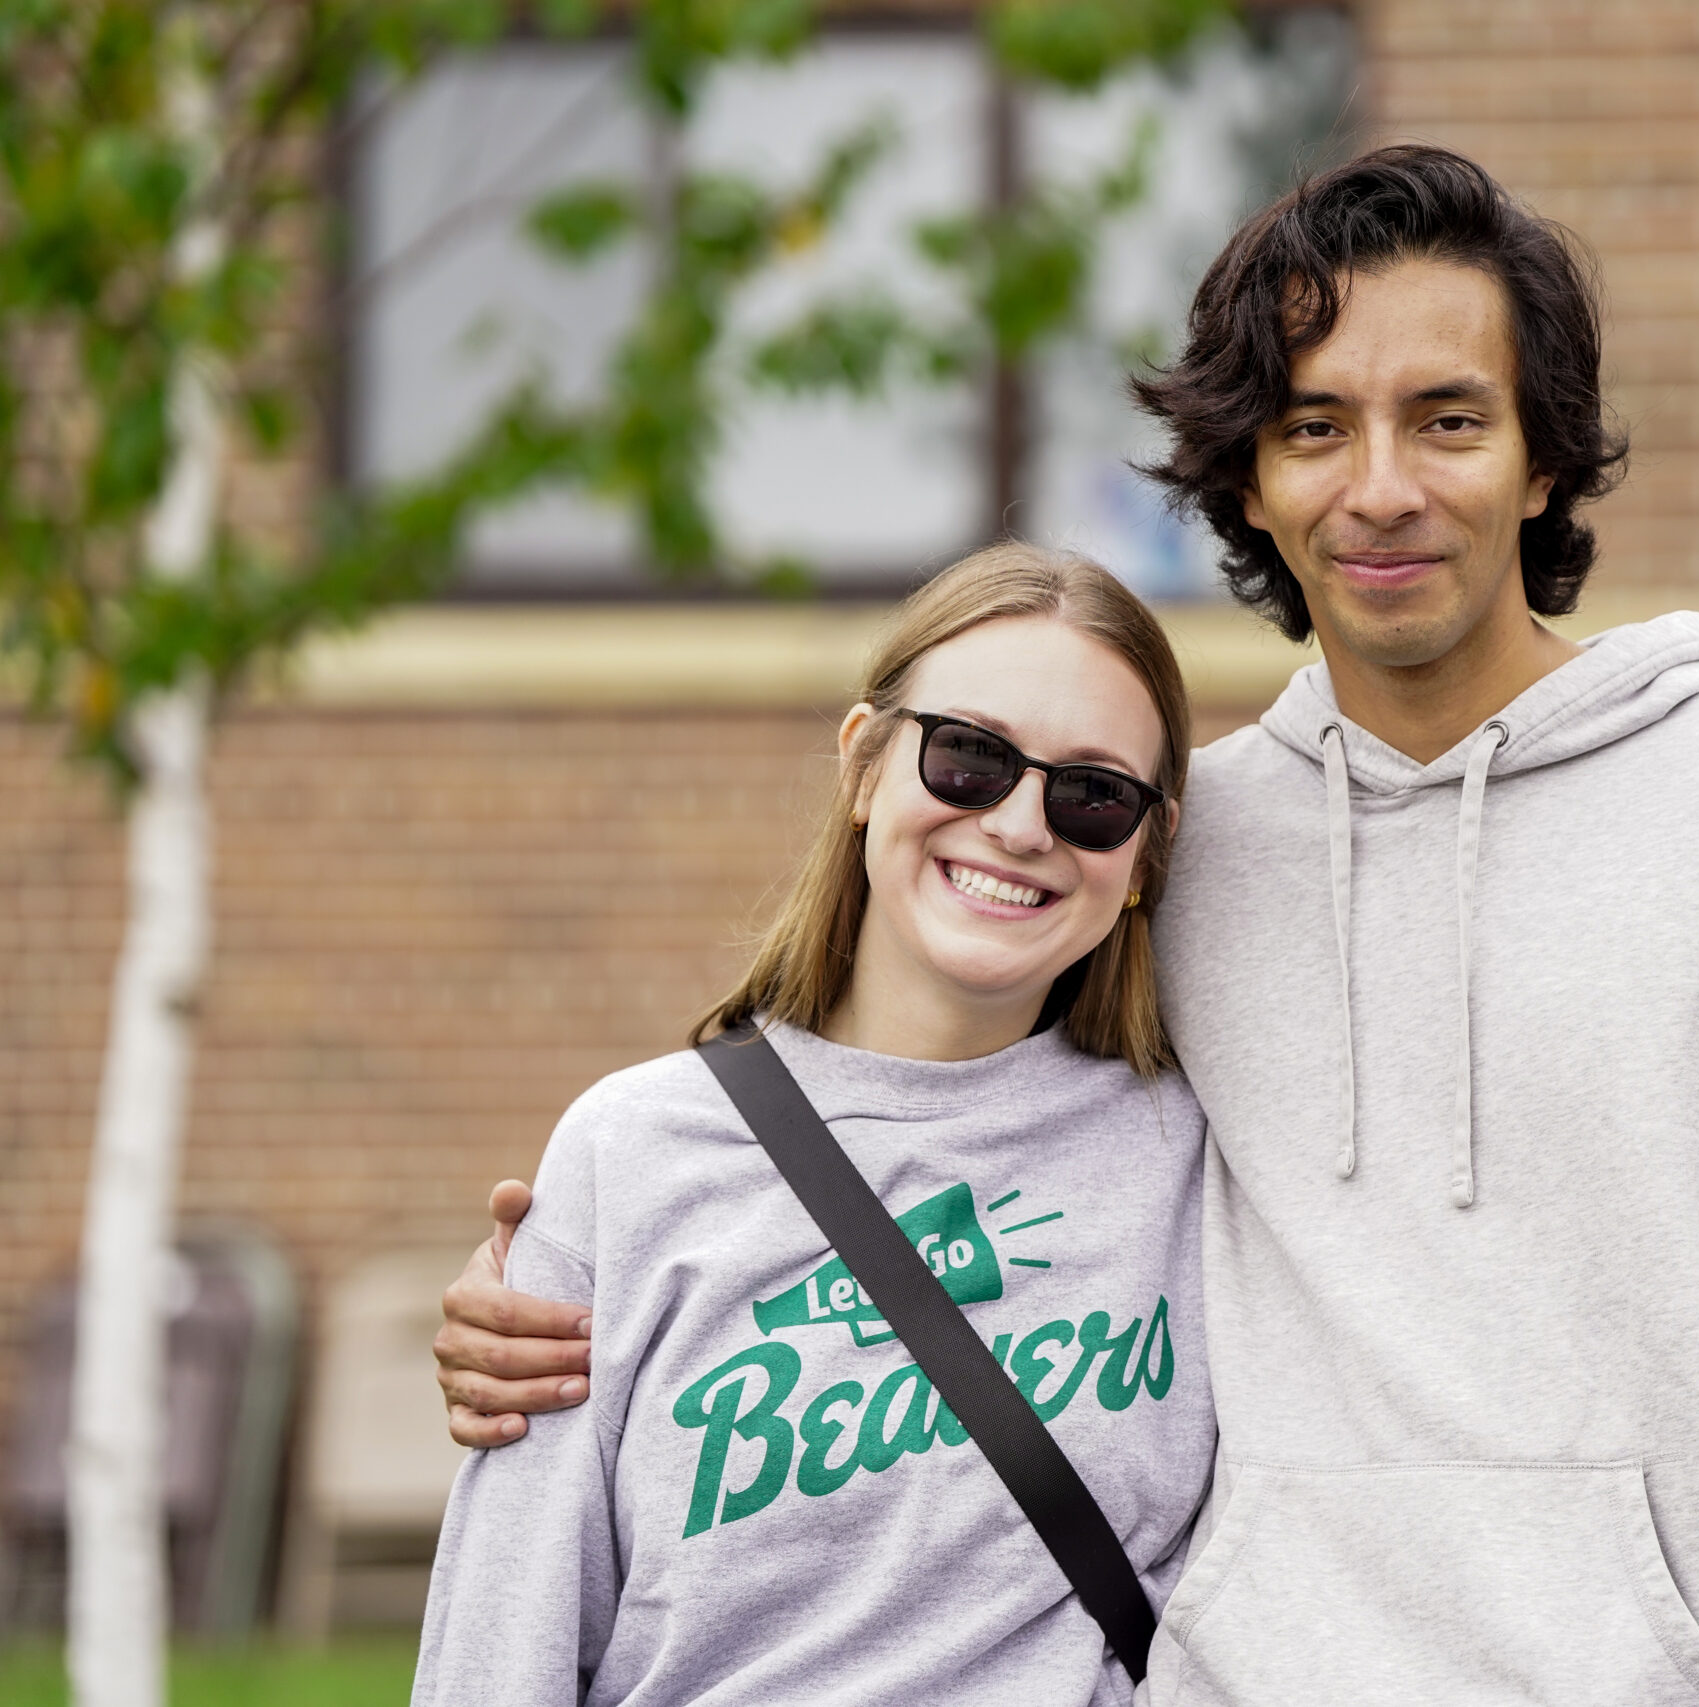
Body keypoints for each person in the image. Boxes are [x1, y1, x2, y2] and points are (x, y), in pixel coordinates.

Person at [439, 146, 1699, 1705]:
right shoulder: (1171, 831)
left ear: (1544, 460)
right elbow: (943, 1109)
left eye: (1449, 420)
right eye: (1315, 426)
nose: (1381, 486)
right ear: (1251, 483)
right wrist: (574, 1281)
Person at [412, 544, 1213, 1707]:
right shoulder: (632, 1154)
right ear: (862, 765)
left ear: (1145, 853)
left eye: (1093, 795)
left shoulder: (1201, 1163)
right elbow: (505, 1634)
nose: (1023, 825)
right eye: (971, 756)